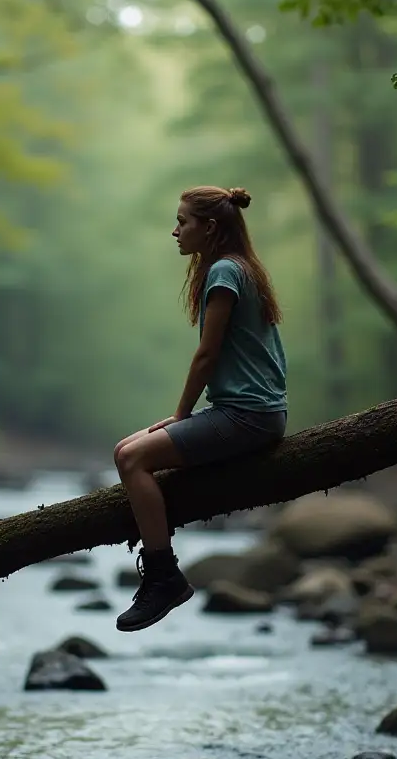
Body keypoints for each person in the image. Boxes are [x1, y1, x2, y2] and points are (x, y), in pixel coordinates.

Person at [113, 185, 288, 632]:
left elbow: (207, 356)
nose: (175, 231)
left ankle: (163, 575)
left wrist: (182, 415)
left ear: (209, 228)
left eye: (183, 222)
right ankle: (161, 568)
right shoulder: (240, 267)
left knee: (134, 459)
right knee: (124, 450)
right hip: (249, 411)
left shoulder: (226, 272)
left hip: (247, 416)